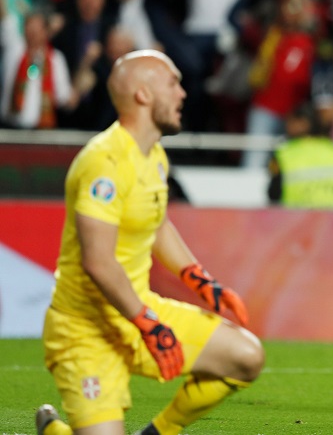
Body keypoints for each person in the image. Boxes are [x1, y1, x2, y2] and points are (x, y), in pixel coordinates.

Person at [35, 50, 264, 435]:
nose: (183, 94)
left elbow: (157, 224)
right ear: (143, 94)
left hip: (140, 311)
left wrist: (199, 280)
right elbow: (99, 262)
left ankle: (159, 432)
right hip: (86, 330)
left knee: (246, 356)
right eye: (173, 83)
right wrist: (149, 323)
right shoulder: (103, 163)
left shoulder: (153, 156)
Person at [267, 102, 333, 209]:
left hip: (298, 220)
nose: (287, 126)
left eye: (291, 121)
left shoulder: (284, 153)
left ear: (303, 123)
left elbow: (273, 193)